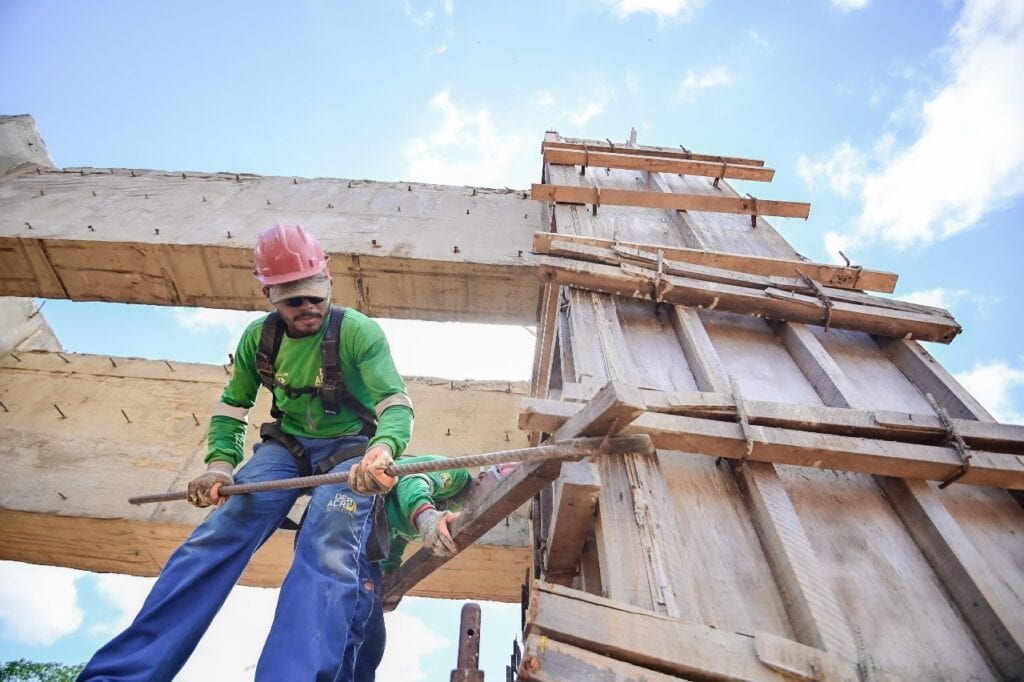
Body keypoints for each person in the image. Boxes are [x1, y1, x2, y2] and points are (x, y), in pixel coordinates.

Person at [79, 223, 414, 682]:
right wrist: (219, 466)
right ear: (269, 294)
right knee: (216, 536)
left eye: (315, 295)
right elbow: (233, 408)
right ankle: (123, 676)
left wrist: (381, 451)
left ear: (328, 281)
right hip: (288, 448)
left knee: (328, 544)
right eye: (293, 300)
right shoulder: (259, 339)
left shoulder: (358, 331)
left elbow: (395, 403)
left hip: (351, 450)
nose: (307, 308)